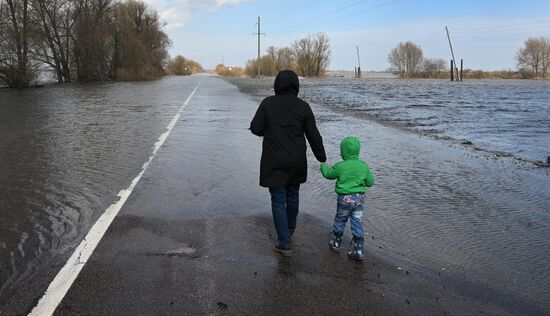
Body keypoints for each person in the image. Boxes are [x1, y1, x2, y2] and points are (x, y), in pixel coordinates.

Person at [250, 70, 326, 257]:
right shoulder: (303, 107)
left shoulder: (268, 103)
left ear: (276, 85)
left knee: (278, 198)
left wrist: (270, 129)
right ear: (296, 87)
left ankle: (284, 242)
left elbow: (255, 128)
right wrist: (321, 157)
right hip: (296, 160)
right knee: (292, 194)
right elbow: (313, 135)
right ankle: (289, 230)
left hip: (274, 160)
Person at [320, 136, 375, 261]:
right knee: (357, 222)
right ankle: (358, 249)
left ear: (343, 152)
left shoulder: (341, 166)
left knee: (340, 219)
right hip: (359, 200)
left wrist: (323, 166)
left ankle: (336, 242)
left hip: (344, 199)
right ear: (358, 151)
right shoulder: (363, 166)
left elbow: (329, 174)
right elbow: (370, 182)